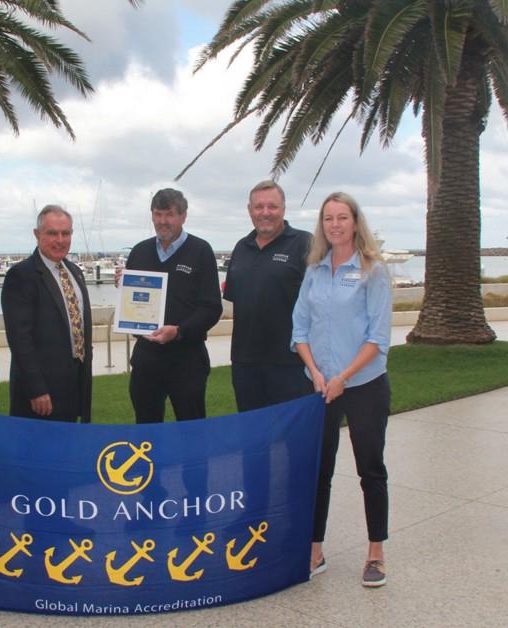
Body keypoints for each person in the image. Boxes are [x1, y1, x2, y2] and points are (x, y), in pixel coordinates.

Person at [291, 192, 392, 588]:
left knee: (371, 468)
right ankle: (315, 551)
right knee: (320, 470)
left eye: (342, 217)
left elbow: (377, 338)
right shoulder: (314, 271)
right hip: (319, 385)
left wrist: (341, 377)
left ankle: (376, 554)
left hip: (363, 384)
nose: (335, 224)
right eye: (328, 218)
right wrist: (315, 371)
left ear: (355, 222)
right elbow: (299, 330)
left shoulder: (373, 271)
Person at [124, 188, 222, 423]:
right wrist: (125, 292)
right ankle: (154, 463)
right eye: (157, 214)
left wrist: (179, 331)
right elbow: (132, 301)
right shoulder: (139, 252)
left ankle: (193, 463)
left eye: (169, 214)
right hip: (147, 360)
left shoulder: (201, 251)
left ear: (183, 216)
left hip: (187, 360)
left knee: (192, 432)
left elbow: (211, 308)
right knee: (146, 433)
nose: (162, 221)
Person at [223, 179, 313, 411]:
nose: (265, 213)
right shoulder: (242, 247)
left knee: (293, 439)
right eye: (258, 207)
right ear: (249, 210)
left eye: (272, 206)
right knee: (252, 439)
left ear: (283, 209)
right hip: (245, 364)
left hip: (291, 363)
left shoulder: (305, 243)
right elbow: (238, 299)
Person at [1, 205, 92, 422]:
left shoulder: (74, 271)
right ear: (37, 234)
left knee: (69, 448)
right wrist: (36, 390)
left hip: (75, 383)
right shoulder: (21, 275)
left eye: (66, 233)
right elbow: (20, 339)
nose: (60, 240)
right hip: (42, 393)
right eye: (52, 233)